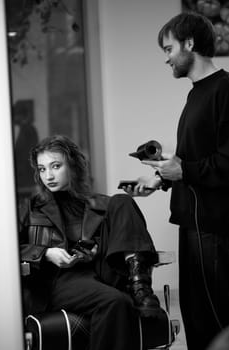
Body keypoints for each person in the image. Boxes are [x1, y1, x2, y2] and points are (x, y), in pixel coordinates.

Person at [123, 12, 229, 350]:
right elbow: (194, 160)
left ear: (189, 43)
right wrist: (160, 178)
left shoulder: (225, 89)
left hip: (215, 229)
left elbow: (226, 163)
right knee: (196, 321)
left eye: (168, 49)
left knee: (216, 322)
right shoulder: (196, 94)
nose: (166, 58)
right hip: (192, 224)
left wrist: (182, 171)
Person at [19, 134, 162, 350]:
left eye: (55, 166)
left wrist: (94, 250)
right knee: (116, 302)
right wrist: (46, 253)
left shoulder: (101, 204)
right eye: (42, 169)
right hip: (58, 280)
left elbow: (118, 240)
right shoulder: (29, 208)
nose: (48, 175)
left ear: (73, 166)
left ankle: (140, 287)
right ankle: (137, 292)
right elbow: (5, 249)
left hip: (100, 270)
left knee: (122, 200)